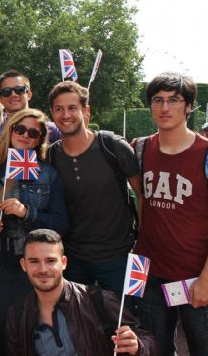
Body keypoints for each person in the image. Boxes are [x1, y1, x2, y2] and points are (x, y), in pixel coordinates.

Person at [0, 108, 69, 356]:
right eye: (20, 129)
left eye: (34, 133)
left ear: (40, 139)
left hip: (31, 266)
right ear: (10, 130)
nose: (26, 136)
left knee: (32, 330)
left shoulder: (48, 173)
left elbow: (61, 224)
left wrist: (26, 212)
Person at [133, 73, 208, 355]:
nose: (165, 108)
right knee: (155, 348)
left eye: (174, 100)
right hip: (152, 274)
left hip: (196, 277)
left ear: (188, 106)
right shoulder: (141, 148)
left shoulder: (205, 153)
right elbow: (141, 197)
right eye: (158, 100)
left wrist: (206, 279)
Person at [48, 81, 141, 296]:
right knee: (78, 324)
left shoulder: (113, 146)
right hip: (73, 258)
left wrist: (141, 241)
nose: (66, 115)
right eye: (59, 109)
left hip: (118, 256)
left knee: (124, 323)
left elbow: (141, 194)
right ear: (52, 113)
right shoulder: (51, 156)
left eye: (72, 108)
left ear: (86, 111)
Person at [6, 229, 155, 356]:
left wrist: (138, 346)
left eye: (51, 261)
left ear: (64, 263)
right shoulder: (17, 314)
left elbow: (148, 341)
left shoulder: (98, 300)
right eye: (34, 261)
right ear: (23, 265)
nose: (43, 269)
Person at [0, 70, 61, 154]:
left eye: (19, 89)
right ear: (0, 99)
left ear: (29, 94)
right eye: (7, 92)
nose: (13, 94)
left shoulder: (53, 130)